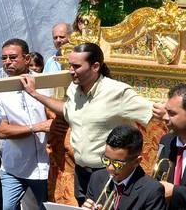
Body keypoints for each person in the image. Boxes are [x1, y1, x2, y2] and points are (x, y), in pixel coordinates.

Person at [20, 43, 154, 205]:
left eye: (76, 66)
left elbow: (153, 115)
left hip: (109, 172)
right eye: (70, 65)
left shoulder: (118, 92)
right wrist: (34, 94)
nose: (70, 70)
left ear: (95, 66)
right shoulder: (74, 90)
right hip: (81, 172)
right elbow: (68, 109)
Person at [0, 39, 57, 210]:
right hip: (13, 167)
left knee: (44, 207)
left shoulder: (46, 83)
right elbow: (2, 131)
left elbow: (56, 119)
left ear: (27, 58)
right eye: (4, 58)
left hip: (45, 166)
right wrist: (37, 127)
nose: (7, 62)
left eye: (13, 57)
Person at [82, 125, 167, 210]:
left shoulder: (152, 191)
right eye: (106, 160)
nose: (110, 168)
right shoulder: (96, 178)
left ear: (136, 162)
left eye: (117, 164)